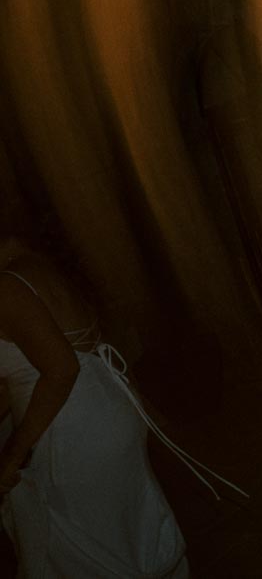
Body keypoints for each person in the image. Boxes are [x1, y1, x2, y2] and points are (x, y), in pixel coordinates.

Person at [0, 235, 188, 578]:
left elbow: (61, 368)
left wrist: (12, 455)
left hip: (72, 432)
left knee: (81, 554)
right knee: (130, 541)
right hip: (106, 410)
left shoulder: (7, 288)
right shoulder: (38, 265)